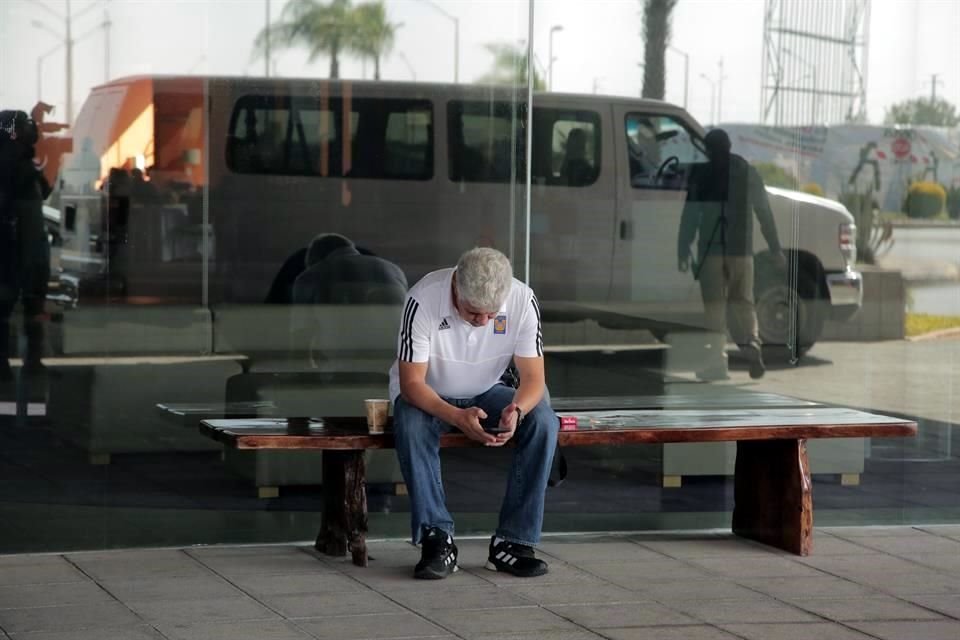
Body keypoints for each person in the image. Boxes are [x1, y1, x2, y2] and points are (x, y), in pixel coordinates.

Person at [389, 247, 559, 580]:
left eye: (490, 314)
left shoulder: (523, 300)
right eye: (472, 312)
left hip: (487, 388)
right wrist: (455, 416)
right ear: (456, 288)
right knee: (410, 423)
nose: (482, 321)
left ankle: (513, 542)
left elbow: (534, 379)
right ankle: (437, 538)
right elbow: (411, 383)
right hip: (428, 393)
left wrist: (517, 409)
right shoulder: (423, 298)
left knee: (543, 421)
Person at [677, 128, 785, 381]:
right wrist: (775, 248)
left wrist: (682, 249)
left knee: (715, 311)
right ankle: (753, 346)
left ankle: (716, 364)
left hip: (712, 253)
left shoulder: (702, 173)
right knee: (744, 304)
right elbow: (764, 213)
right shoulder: (747, 171)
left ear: (707, 149)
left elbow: (690, 215)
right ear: (729, 146)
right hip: (742, 254)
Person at [0, 109, 51, 389]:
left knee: (21, 305)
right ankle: (25, 363)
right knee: (16, 305)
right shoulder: (13, 162)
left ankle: (26, 363)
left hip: (24, 243)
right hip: (18, 244)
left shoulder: (21, 161)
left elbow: (41, 191)